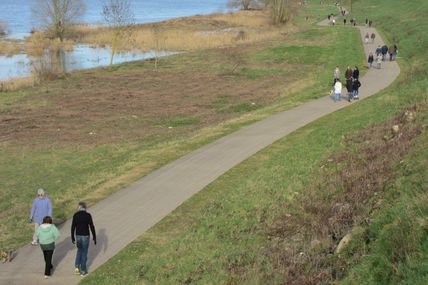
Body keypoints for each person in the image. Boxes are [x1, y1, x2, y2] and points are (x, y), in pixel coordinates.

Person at [71, 202, 96, 277]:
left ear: (79, 207)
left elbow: (73, 227)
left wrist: (72, 237)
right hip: (85, 236)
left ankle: (76, 267)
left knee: (79, 250)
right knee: (84, 252)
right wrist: (94, 236)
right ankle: (83, 270)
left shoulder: (75, 215)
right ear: (85, 207)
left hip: (78, 236)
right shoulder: (88, 215)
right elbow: (91, 226)